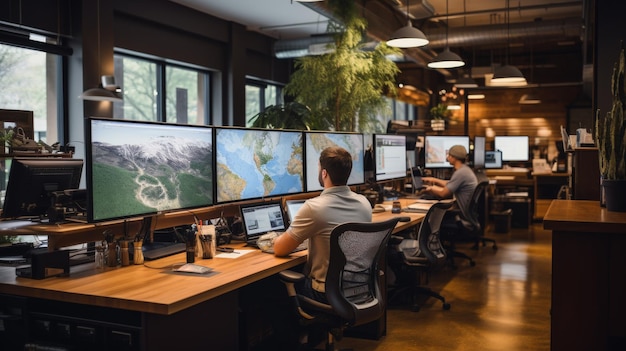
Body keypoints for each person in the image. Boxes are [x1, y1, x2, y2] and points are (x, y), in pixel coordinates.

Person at [272, 146, 372, 303]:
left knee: (269, 287)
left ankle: (295, 327)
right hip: (358, 288)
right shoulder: (364, 203)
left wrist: (269, 238)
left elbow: (280, 249)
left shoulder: (314, 207)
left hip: (326, 293)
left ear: (324, 173)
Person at [419, 144, 477, 216]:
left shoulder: (460, 173)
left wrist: (429, 190)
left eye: (449, 155)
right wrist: (433, 180)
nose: (447, 157)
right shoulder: (465, 170)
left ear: (454, 158)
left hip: (461, 216)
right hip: (465, 213)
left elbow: (443, 193)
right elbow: (450, 184)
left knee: (433, 215)